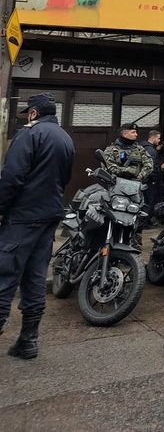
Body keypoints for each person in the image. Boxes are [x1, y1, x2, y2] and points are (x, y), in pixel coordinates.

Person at [0, 93, 74, 359]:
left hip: (22, 216)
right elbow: (65, 177)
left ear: (33, 113)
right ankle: (28, 341)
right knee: (35, 277)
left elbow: (11, 176)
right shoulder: (64, 137)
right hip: (48, 215)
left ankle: (26, 342)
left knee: (4, 276)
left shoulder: (29, 135)